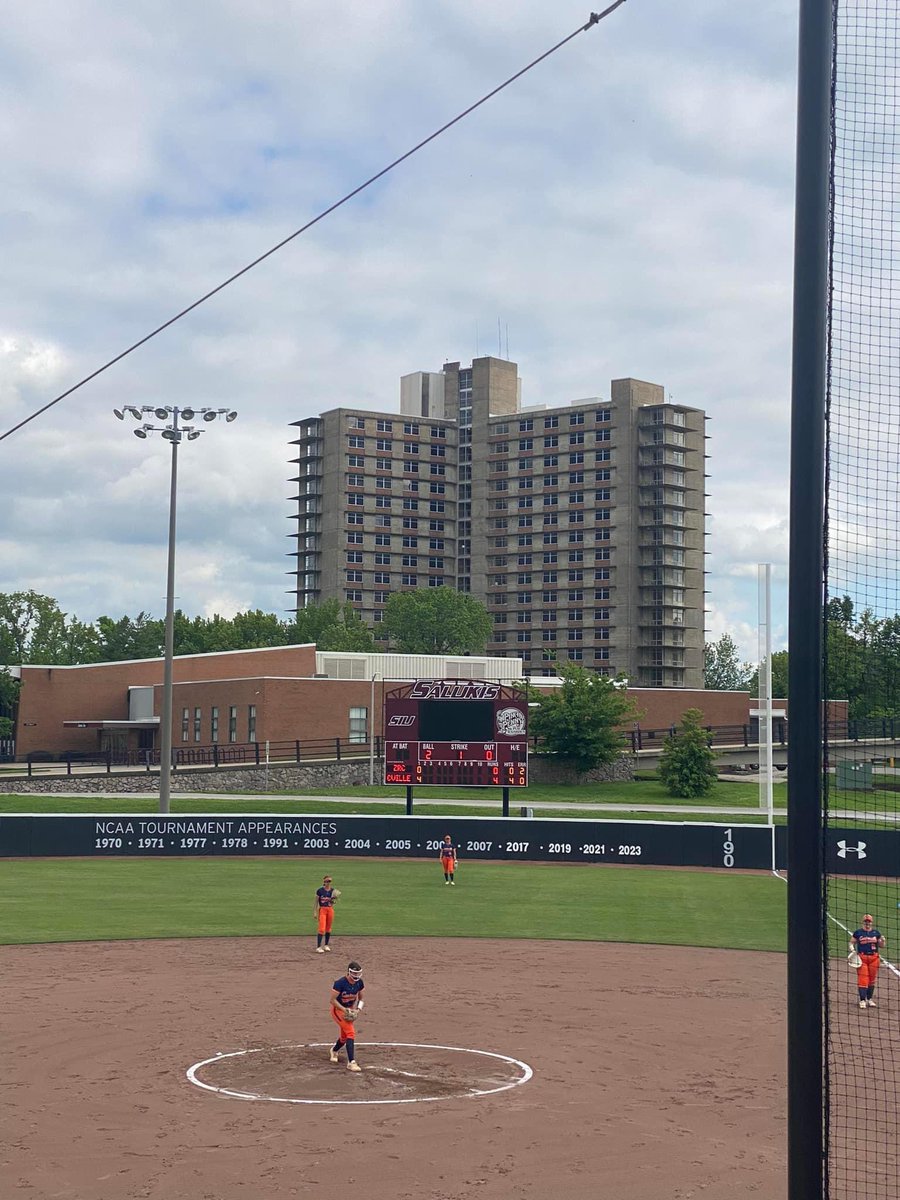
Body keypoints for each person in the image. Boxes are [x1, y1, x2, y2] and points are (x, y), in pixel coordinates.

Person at [328, 960, 365, 1071]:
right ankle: (351, 1062)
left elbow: (361, 998)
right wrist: (345, 1010)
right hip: (338, 1010)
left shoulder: (359, 983)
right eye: (354, 973)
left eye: (358, 973)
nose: (356, 976)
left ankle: (334, 1051)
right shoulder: (340, 983)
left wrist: (358, 1010)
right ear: (348, 972)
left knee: (344, 1037)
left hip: (350, 1010)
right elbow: (332, 1000)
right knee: (350, 1032)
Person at [851, 914, 886, 1009]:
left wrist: (882, 941)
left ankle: (869, 999)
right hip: (862, 958)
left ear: (871, 922)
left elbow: (882, 946)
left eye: (869, 921)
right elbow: (851, 942)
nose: (867, 923)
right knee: (863, 979)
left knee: (871, 980)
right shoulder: (858, 932)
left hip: (874, 958)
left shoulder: (876, 933)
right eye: (866, 921)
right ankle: (862, 1000)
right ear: (863, 922)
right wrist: (852, 950)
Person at [313, 875, 339, 953]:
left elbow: (333, 903)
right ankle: (318, 947)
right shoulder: (319, 891)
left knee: (328, 928)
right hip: (322, 910)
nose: (328, 883)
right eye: (326, 881)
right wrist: (314, 912)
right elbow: (316, 902)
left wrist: (333, 900)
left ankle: (326, 945)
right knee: (321, 928)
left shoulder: (333, 891)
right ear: (324, 882)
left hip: (330, 910)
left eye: (329, 881)